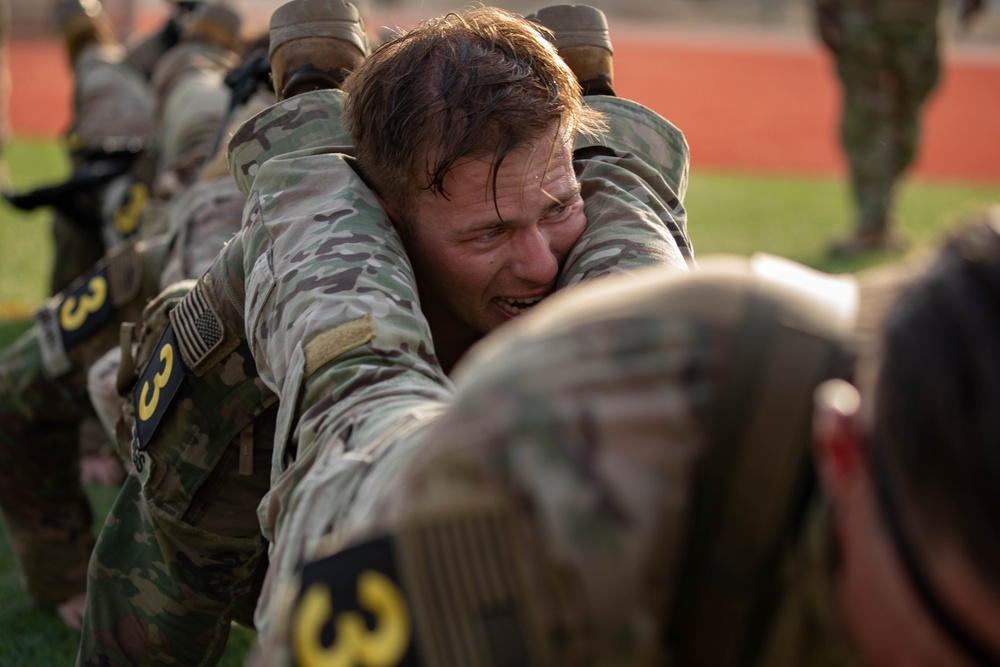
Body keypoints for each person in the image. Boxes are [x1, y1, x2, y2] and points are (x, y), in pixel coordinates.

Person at [77, 3, 694, 665]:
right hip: (242, 408)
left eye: (559, 206)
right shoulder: (279, 311)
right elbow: (175, 601)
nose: (543, 262)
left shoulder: (573, 229)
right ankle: (310, 107)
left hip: (467, 379)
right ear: (388, 214)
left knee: (628, 267)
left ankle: (592, 113)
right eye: (488, 232)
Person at [243, 181, 1000, 667]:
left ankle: (601, 156)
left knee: (613, 256)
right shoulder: (542, 482)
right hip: (385, 469)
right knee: (360, 376)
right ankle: (312, 151)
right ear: (844, 452)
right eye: (961, 647)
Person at [0, 0, 249, 631]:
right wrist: (62, 572)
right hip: (199, 144)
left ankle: (197, 38)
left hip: (251, 142)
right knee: (146, 85)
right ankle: (114, 37)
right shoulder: (154, 263)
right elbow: (14, 394)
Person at [815, 0, 942, 256]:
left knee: (903, 111)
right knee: (868, 116)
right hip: (862, 16)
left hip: (910, 19)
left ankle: (878, 220)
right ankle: (872, 223)